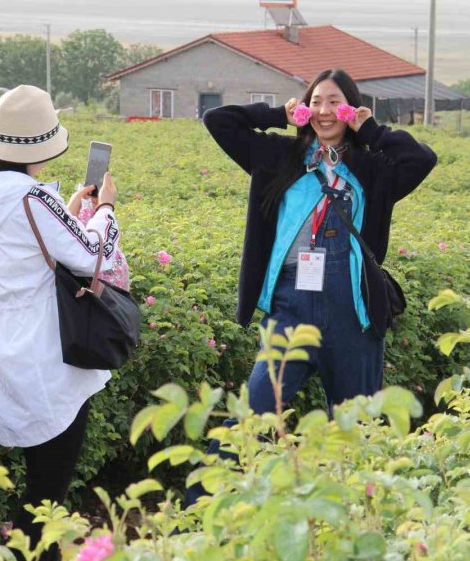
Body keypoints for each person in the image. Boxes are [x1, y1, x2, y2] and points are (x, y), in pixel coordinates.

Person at [186, 69, 436, 504]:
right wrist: (277, 114)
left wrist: (369, 128)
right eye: (315, 101)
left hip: (352, 312)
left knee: (358, 424)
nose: (324, 111)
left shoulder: (374, 169)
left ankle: (362, 514)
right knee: (256, 410)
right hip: (290, 307)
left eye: (335, 102)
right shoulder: (279, 156)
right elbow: (219, 121)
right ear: (305, 107)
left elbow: (422, 159)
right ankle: (202, 508)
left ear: (350, 108)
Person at [0, 85, 120, 559]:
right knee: (46, 494)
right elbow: (91, 255)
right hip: (46, 357)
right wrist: (104, 209)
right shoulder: (33, 198)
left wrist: (71, 212)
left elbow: (24, 247)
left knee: (40, 483)